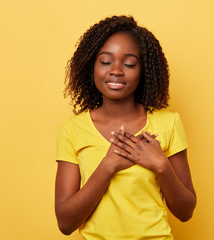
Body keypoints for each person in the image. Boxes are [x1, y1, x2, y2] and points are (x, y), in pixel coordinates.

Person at [55, 15, 196, 240]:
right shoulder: (72, 130)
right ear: (91, 66)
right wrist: (107, 166)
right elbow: (65, 222)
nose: (117, 71)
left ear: (144, 70)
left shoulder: (168, 123)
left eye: (129, 63)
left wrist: (161, 165)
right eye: (106, 61)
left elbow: (186, 212)